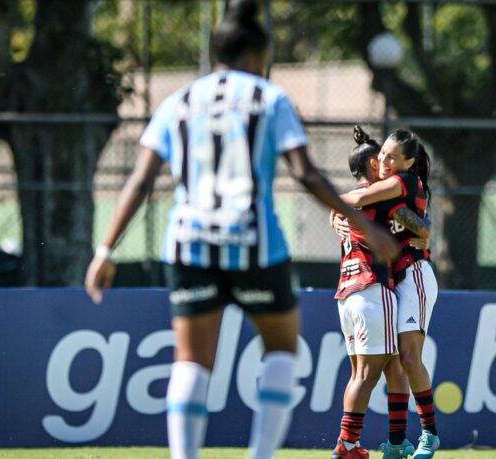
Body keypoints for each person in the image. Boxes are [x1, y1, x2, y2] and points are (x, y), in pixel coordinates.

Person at [83, 2, 399, 458]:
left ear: (216, 52)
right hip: (255, 246)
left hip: (190, 247)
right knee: (281, 354)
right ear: (257, 52)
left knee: (191, 363)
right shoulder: (269, 99)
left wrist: (105, 250)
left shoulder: (179, 101)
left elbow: (141, 179)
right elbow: (307, 174)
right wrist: (365, 225)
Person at [339, 129, 439, 459]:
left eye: (393, 156)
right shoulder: (386, 195)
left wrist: (333, 203)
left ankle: (429, 434)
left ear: (409, 163)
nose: (385, 160)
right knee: (395, 364)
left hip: (414, 274)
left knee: (407, 359)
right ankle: (396, 443)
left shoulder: (404, 182)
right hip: (390, 281)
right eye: (382, 154)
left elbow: (423, 228)